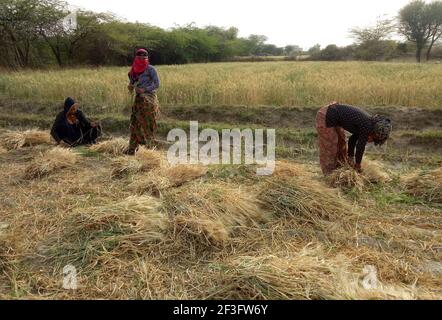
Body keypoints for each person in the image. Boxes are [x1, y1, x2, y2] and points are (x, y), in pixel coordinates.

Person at [316, 102, 392, 175]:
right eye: (374, 139)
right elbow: (360, 147)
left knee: (341, 144)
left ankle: (338, 169)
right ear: (373, 134)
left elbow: (352, 140)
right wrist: (358, 165)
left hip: (333, 116)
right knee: (331, 148)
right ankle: (329, 175)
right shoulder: (366, 127)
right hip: (326, 115)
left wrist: (351, 157)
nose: (371, 141)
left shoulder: (367, 125)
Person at [126, 48, 160, 155]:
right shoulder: (133, 72)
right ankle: (133, 148)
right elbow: (131, 83)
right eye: (140, 58)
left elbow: (157, 84)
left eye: (144, 58)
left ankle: (149, 149)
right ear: (136, 59)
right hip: (138, 100)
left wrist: (145, 89)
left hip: (149, 99)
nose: (142, 60)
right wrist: (130, 87)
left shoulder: (150, 69)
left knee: (148, 123)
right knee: (135, 123)